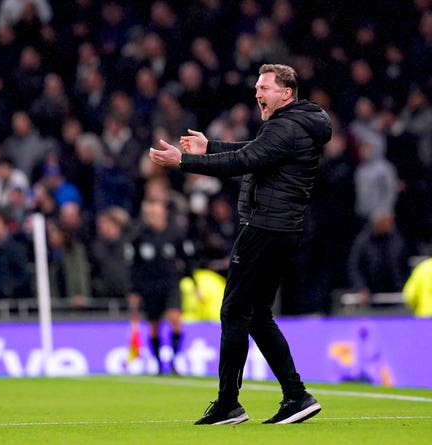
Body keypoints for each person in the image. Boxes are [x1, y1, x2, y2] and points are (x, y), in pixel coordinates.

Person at [150, 64, 331, 425]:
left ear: (287, 93)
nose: (257, 94)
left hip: (264, 229)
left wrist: (185, 160)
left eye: (264, 88)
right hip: (281, 230)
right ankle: (296, 396)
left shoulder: (286, 126)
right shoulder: (294, 126)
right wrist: (210, 145)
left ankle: (228, 404)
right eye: (256, 88)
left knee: (234, 312)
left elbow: (245, 160)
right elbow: (255, 151)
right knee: (258, 316)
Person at [127, 199, 196, 375]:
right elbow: (133, 266)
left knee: (174, 318)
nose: (153, 218)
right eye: (150, 215)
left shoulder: (175, 234)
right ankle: (158, 364)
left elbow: (187, 260)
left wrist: (194, 284)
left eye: (156, 214)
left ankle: (173, 361)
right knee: (154, 326)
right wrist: (133, 291)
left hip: (171, 283)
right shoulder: (139, 237)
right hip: (149, 286)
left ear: (164, 213)